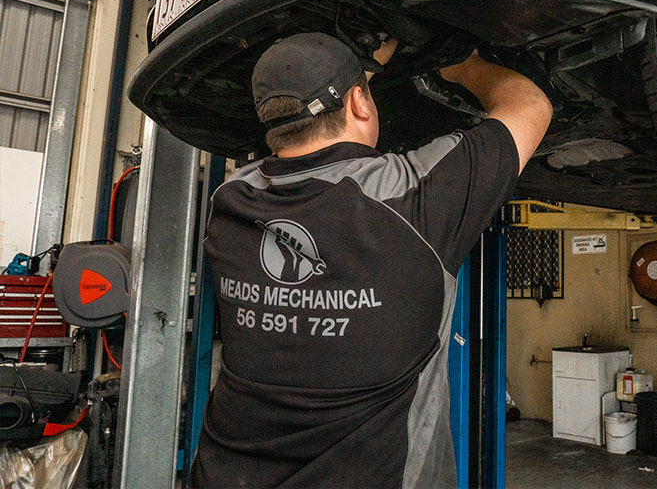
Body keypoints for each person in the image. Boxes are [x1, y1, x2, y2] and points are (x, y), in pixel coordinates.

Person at [191, 32, 551, 488]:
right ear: (361, 103)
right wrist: (460, 64)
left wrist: (364, 69)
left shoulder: (229, 204)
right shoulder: (409, 200)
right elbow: (531, 108)